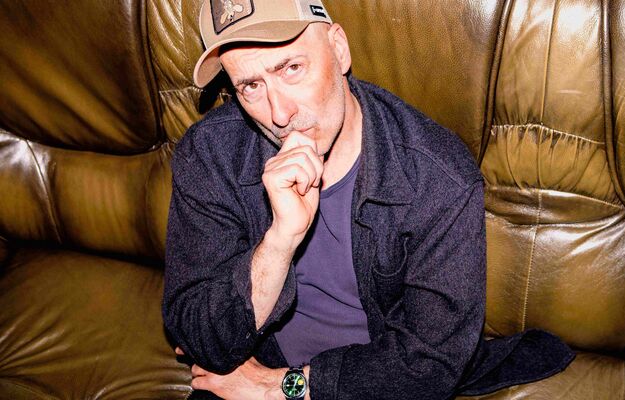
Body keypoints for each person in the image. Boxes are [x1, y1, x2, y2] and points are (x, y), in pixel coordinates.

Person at [162, 1, 574, 399]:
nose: (279, 113)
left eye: (291, 68)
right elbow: (198, 334)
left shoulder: (436, 175)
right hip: (256, 366)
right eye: (251, 86)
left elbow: (430, 364)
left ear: (338, 49)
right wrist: (280, 241)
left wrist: (281, 388)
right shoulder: (211, 154)